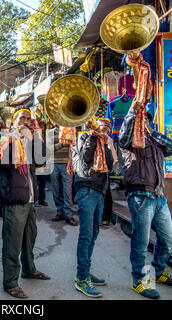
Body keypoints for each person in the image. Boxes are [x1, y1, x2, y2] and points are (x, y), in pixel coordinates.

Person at [119, 100, 172, 299]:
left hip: (159, 197)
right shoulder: (130, 142)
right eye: (140, 119)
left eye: (145, 119)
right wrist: (133, 113)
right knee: (141, 241)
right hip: (140, 197)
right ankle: (139, 280)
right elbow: (123, 135)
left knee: (168, 237)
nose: (142, 121)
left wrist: (151, 131)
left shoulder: (155, 140)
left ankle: (160, 269)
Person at [0, 108, 50, 299]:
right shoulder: (6, 139)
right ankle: (10, 282)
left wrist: (33, 138)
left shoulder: (29, 140)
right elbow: (6, 164)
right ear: (13, 122)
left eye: (28, 119)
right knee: (12, 242)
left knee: (29, 238)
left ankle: (29, 269)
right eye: (21, 119)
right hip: (14, 198)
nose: (25, 121)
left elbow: (42, 160)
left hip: (29, 198)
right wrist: (17, 137)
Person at [72, 118, 114, 298]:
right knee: (86, 234)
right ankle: (81, 278)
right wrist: (93, 136)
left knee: (93, 234)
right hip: (87, 188)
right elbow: (85, 158)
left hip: (100, 190)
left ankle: (85, 271)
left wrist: (105, 143)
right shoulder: (83, 136)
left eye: (107, 129)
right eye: (102, 127)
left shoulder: (106, 142)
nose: (104, 130)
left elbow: (110, 166)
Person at [50, 125, 78, 226]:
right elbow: (48, 149)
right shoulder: (50, 132)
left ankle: (68, 214)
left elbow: (74, 146)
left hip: (67, 163)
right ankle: (60, 212)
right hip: (53, 163)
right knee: (56, 190)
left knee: (67, 190)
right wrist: (62, 144)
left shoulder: (70, 130)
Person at [35, 120, 48, 208]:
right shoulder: (33, 137)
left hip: (42, 163)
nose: (41, 128)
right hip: (34, 164)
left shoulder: (45, 136)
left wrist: (44, 163)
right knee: (34, 183)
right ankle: (34, 200)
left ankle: (41, 200)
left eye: (43, 127)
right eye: (40, 127)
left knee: (42, 183)